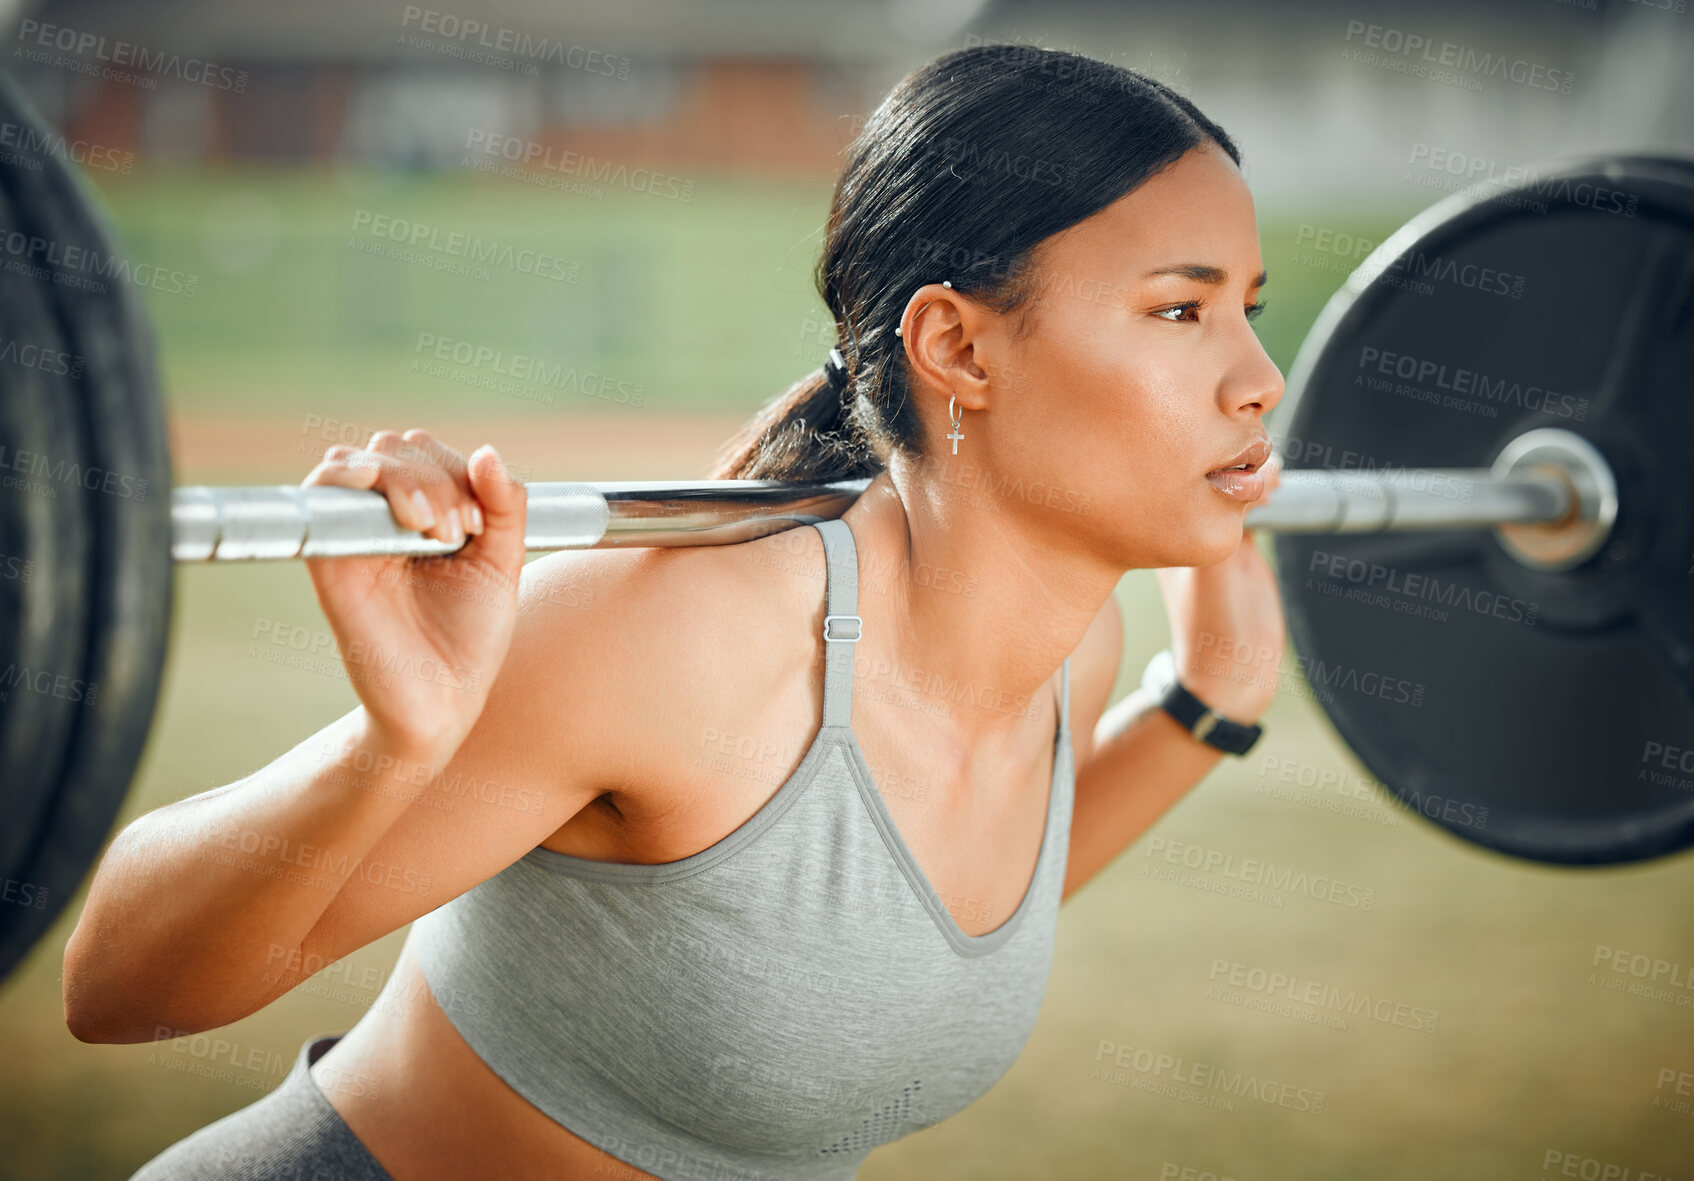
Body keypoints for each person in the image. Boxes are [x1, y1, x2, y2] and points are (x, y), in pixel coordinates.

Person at [69, 42, 1285, 1181]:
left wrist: (1205, 700)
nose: (1258, 380)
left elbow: (877, 934)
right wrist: (395, 746)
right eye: (1180, 311)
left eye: (1249, 308)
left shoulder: (1072, 658)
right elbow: (122, 987)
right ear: (957, 347)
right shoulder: (682, 640)